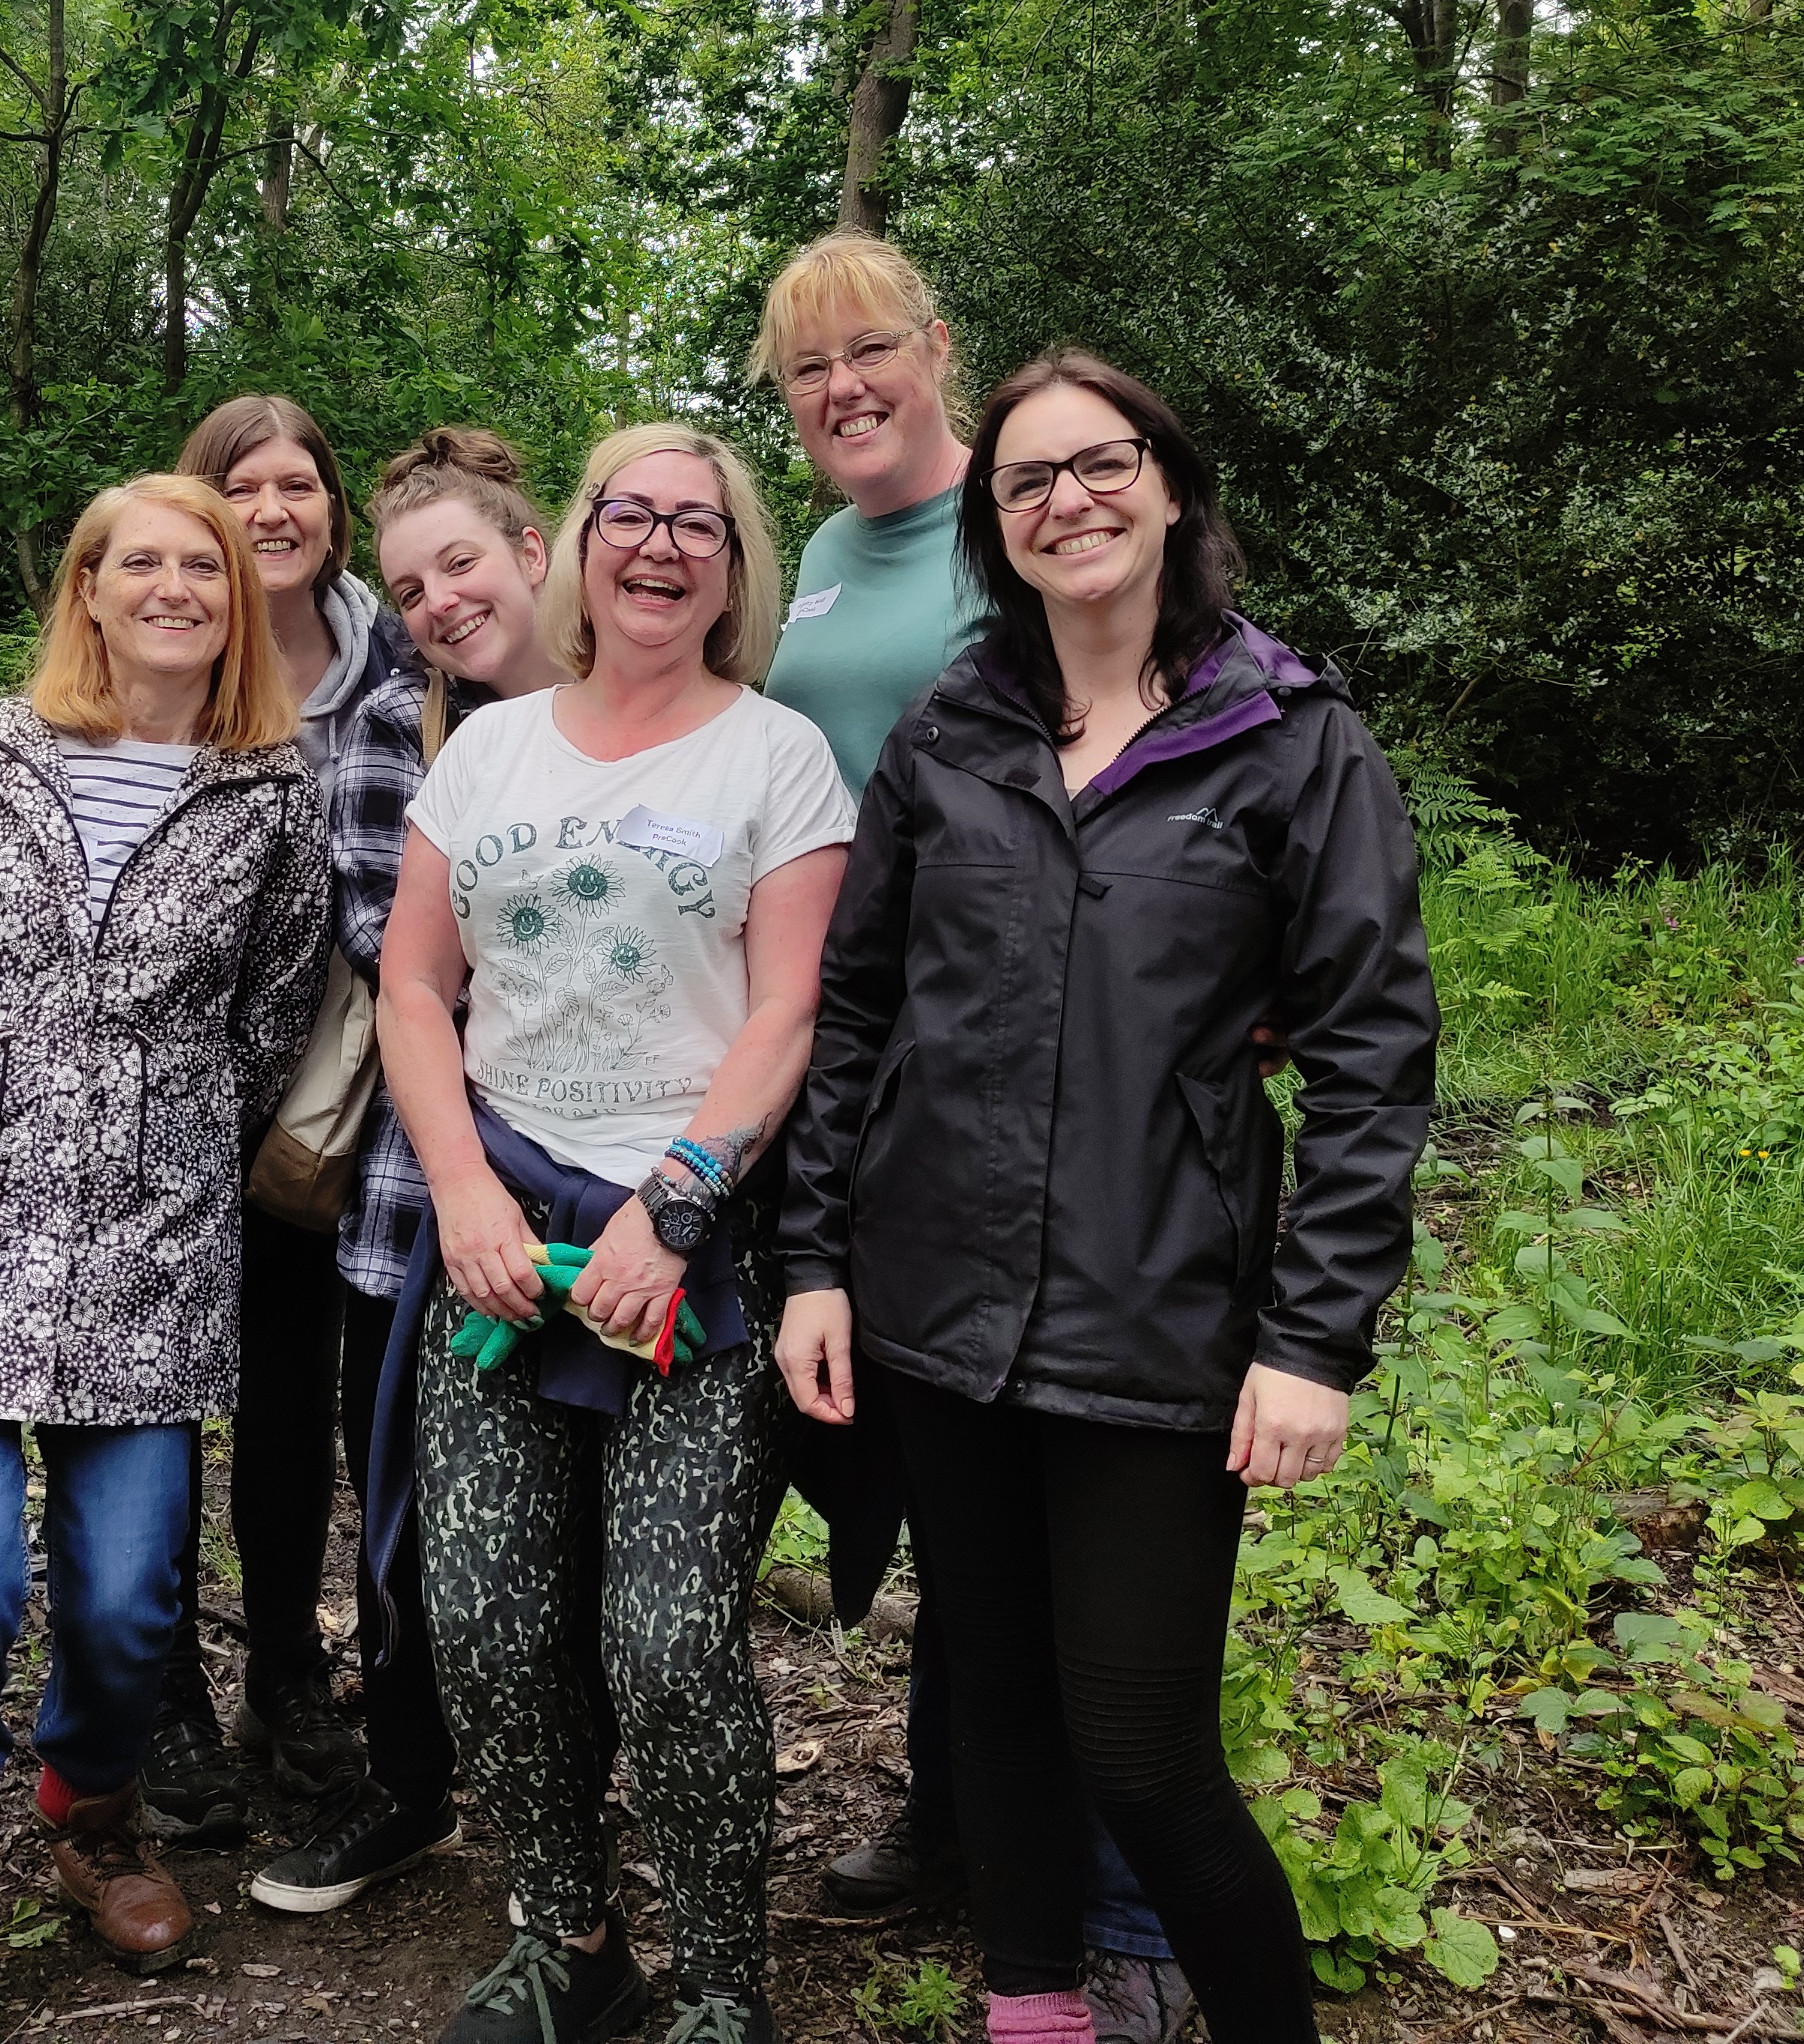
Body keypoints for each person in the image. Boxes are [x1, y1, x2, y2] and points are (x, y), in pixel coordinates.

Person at [776, 349, 1438, 2044]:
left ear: (1167, 484)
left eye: (1099, 464)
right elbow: (856, 1012)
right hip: (936, 1306)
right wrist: (816, 1265)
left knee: (1139, 1748)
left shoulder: (1289, 739)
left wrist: (1317, 1339)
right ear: (992, 526)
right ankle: (1035, 2015)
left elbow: (1368, 1053)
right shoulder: (951, 732)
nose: (1066, 500)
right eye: (1026, 481)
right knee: (990, 1697)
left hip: (1162, 1319)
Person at [0, 472, 329, 2044]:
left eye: (200, 567)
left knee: (127, 1594)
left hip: (147, 1239)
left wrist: (140, 1136)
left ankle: (93, 1814)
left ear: (235, 601)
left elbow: (268, 1021)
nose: (171, 588)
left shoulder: (269, 796)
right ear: (85, 590)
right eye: (136, 563)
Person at [750, 229, 1192, 2042]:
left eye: (871, 351)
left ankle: (1122, 1901)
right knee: (945, 1483)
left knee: (1082, 1489)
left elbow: (1160, 737)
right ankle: (959, 1815)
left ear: (939, 346)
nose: (844, 390)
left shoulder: (1028, 523)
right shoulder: (822, 575)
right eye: (806, 373)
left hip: (1063, 1082)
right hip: (875, 1075)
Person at [379, 423, 857, 2044]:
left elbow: (792, 1004)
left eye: (696, 523)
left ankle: (724, 1991)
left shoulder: (778, 756)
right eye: (628, 514)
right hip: (503, 1244)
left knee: (661, 1642)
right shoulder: (487, 754)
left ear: (734, 565)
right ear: (575, 543)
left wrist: (679, 1197)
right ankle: (570, 1947)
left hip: (692, 1261)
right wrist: (456, 1187)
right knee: (485, 1624)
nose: (658, 544)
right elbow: (411, 987)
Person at [247, 426, 584, 1912]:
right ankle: (411, 1787)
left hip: (630, 1197)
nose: (441, 599)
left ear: (530, 553)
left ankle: (558, 1824)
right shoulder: (401, 727)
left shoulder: (662, 704)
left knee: (574, 1529)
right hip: (426, 1187)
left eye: (462, 563)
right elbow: (408, 961)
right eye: (408, 582)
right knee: (404, 1520)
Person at [140, 394, 415, 1841]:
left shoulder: (400, 647)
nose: (273, 512)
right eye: (241, 488)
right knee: (164, 1389)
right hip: (174, 1089)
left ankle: (288, 1673)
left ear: (332, 508)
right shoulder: (171, 641)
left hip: (335, 1091)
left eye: (299, 483)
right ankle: (165, 1682)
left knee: (294, 1385)